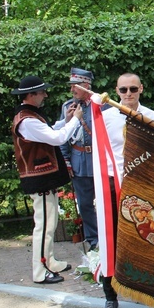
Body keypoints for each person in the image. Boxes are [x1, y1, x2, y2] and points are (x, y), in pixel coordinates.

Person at [99, 73, 154, 308]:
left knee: (144, 237)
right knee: (112, 239)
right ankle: (110, 296)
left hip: (142, 184)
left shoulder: (152, 116)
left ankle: (144, 289)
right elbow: (99, 155)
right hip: (114, 184)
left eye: (133, 88)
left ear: (141, 89)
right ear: (116, 90)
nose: (128, 94)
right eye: (123, 89)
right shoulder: (104, 117)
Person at [10, 75, 82, 284]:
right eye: (41, 92)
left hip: (44, 177)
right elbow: (57, 138)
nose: (45, 95)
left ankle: (49, 260)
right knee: (43, 225)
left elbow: (49, 131)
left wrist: (66, 121)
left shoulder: (30, 116)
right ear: (31, 95)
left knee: (51, 222)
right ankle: (40, 270)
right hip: (38, 179)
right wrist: (76, 119)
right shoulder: (27, 120)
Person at [59, 68, 100, 250]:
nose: (71, 90)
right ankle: (93, 240)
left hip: (99, 160)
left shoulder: (102, 104)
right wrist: (66, 161)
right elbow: (63, 136)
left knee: (107, 201)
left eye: (74, 86)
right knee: (85, 204)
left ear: (86, 85)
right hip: (78, 161)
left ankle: (110, 238)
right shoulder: (68, 106)